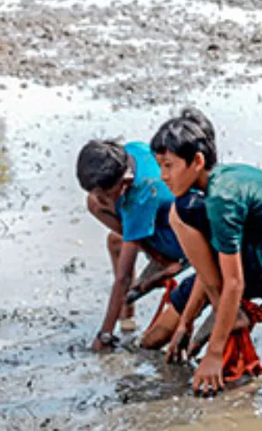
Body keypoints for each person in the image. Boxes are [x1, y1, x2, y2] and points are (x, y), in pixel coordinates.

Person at [142, 113, 262, 395]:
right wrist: (187, 322)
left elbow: (233, 282)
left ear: (197, 162)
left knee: (178, 213)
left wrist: (214, 354)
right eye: (160, 166)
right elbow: (210, 272)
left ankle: (230, 315)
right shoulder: (218, 181)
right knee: (181, 214)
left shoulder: (221, 199)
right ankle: (207, 317)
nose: (164, 176)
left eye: (169, 166)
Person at [76, 134, 186, 352]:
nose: (103, 201)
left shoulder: (142, 195)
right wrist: (104, 199)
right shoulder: (132, 151)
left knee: (121, 245)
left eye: (107, 195)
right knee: (111, 233)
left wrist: (105, 335)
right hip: (162, 216)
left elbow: (123, 277)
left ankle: (164, 258)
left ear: (125, 183)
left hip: (179, 238)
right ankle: (128, 317)